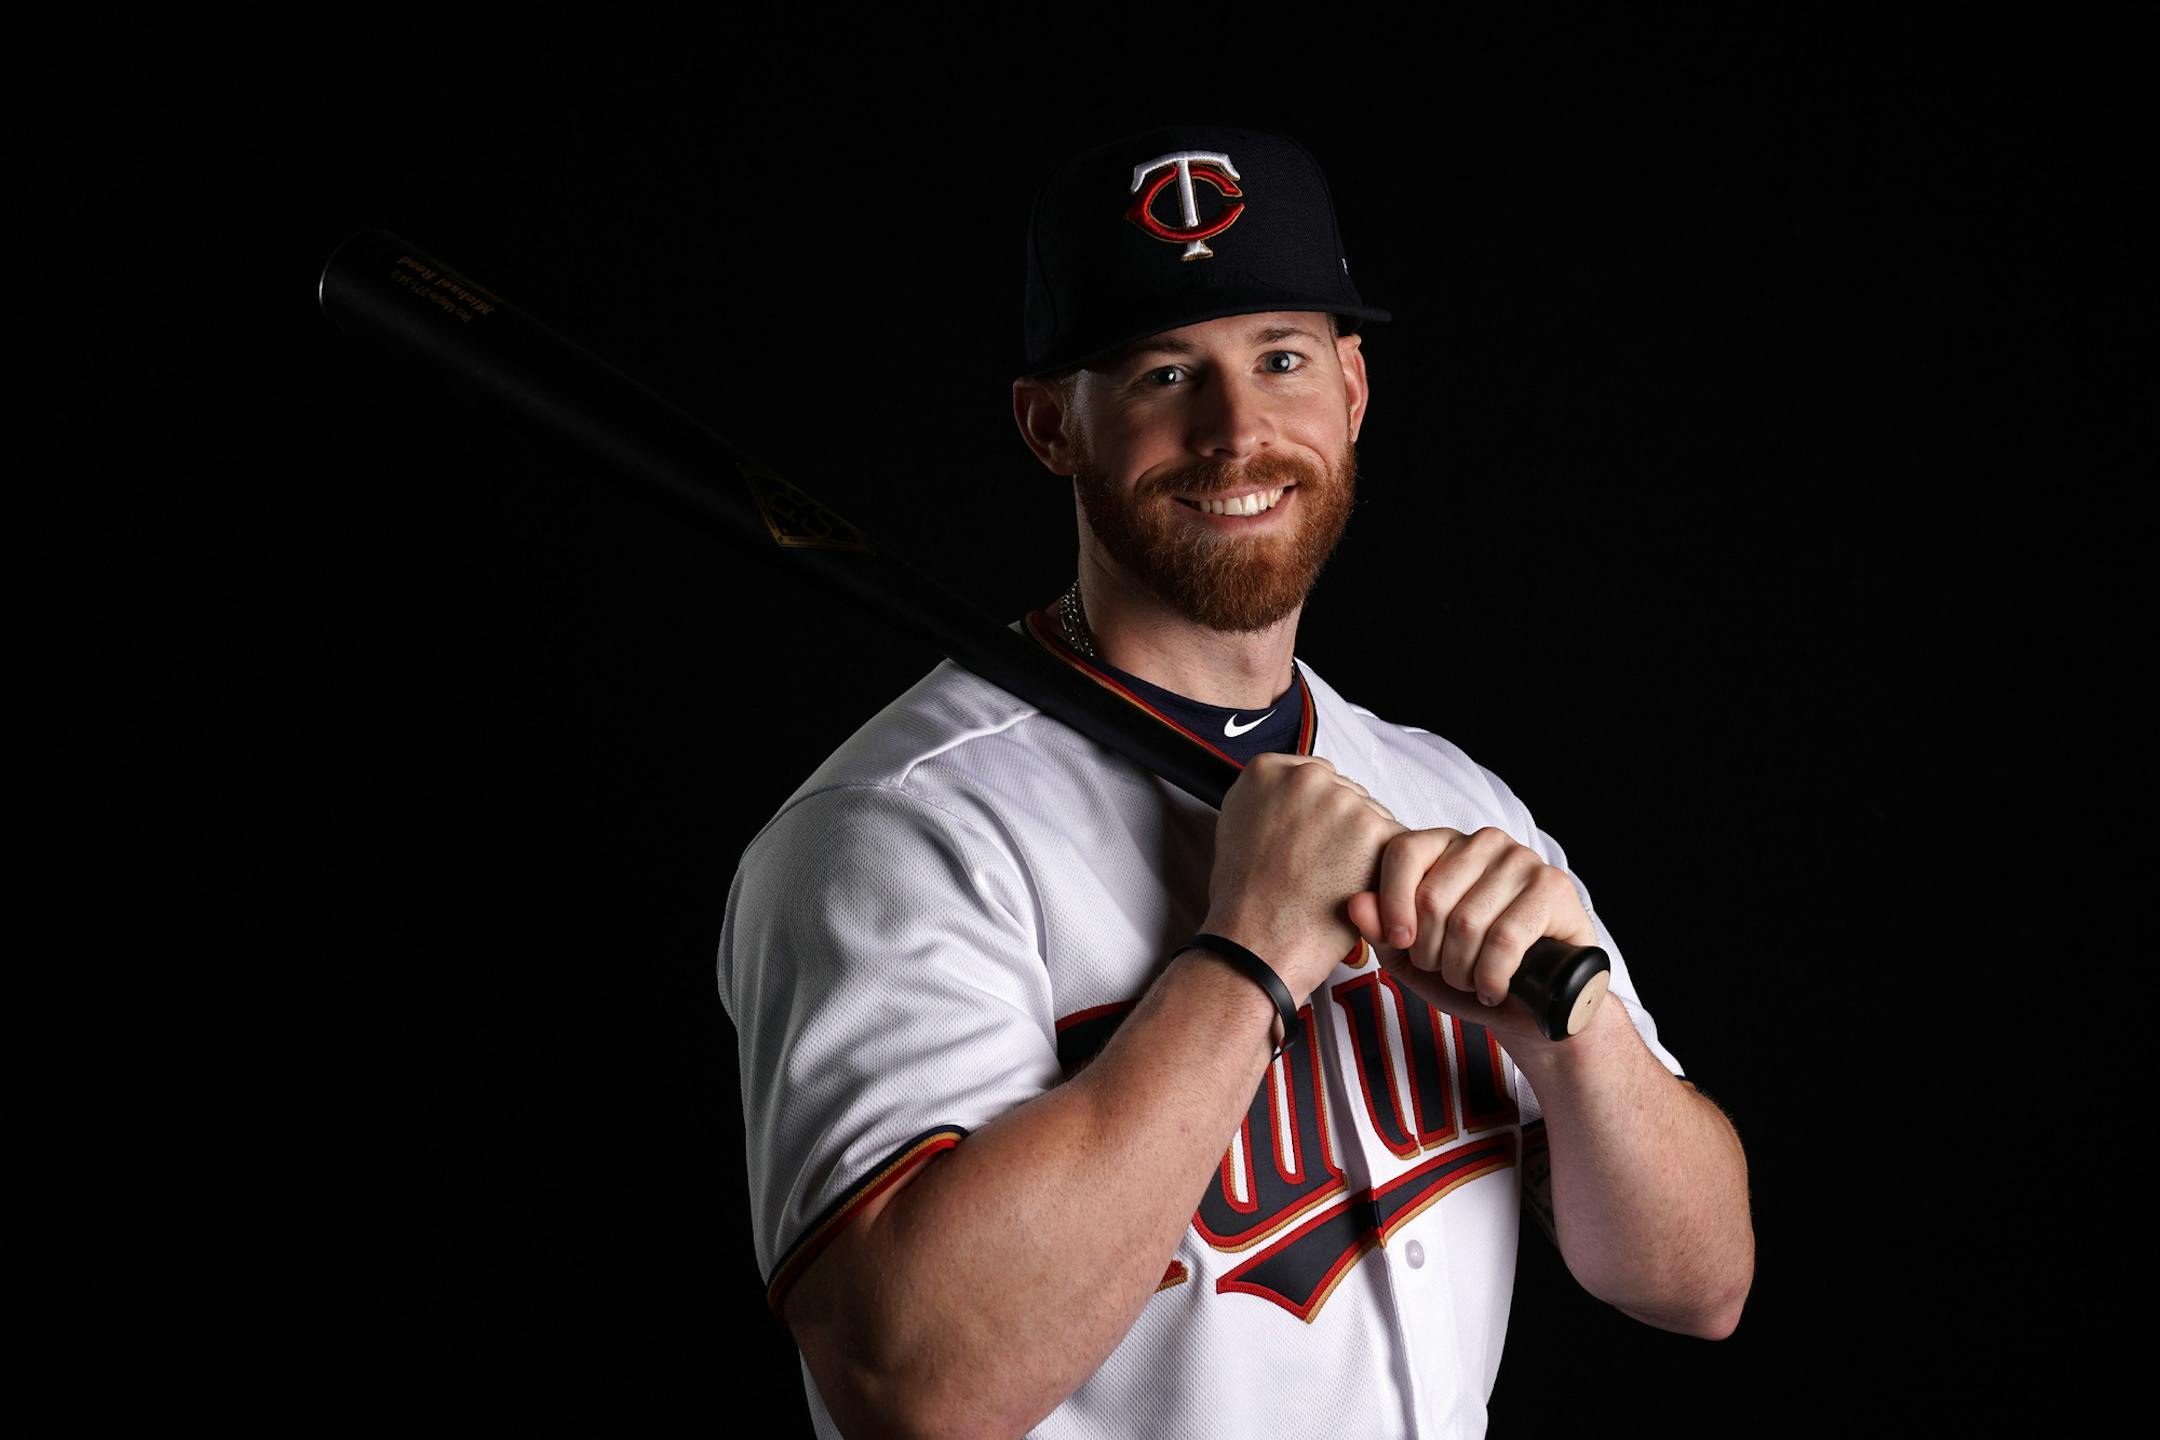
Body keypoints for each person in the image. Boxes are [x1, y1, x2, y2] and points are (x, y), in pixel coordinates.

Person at [718, 124, 1753, 1439]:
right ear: (1050, 425)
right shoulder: (894, 832)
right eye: (1164, 372)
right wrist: (1249, 955)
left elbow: (1699, 1284)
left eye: (1281, 358)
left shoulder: (1451, 797)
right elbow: (912, 1388)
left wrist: (1578, 1029)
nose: (1237, 431)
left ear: (1352, 390)